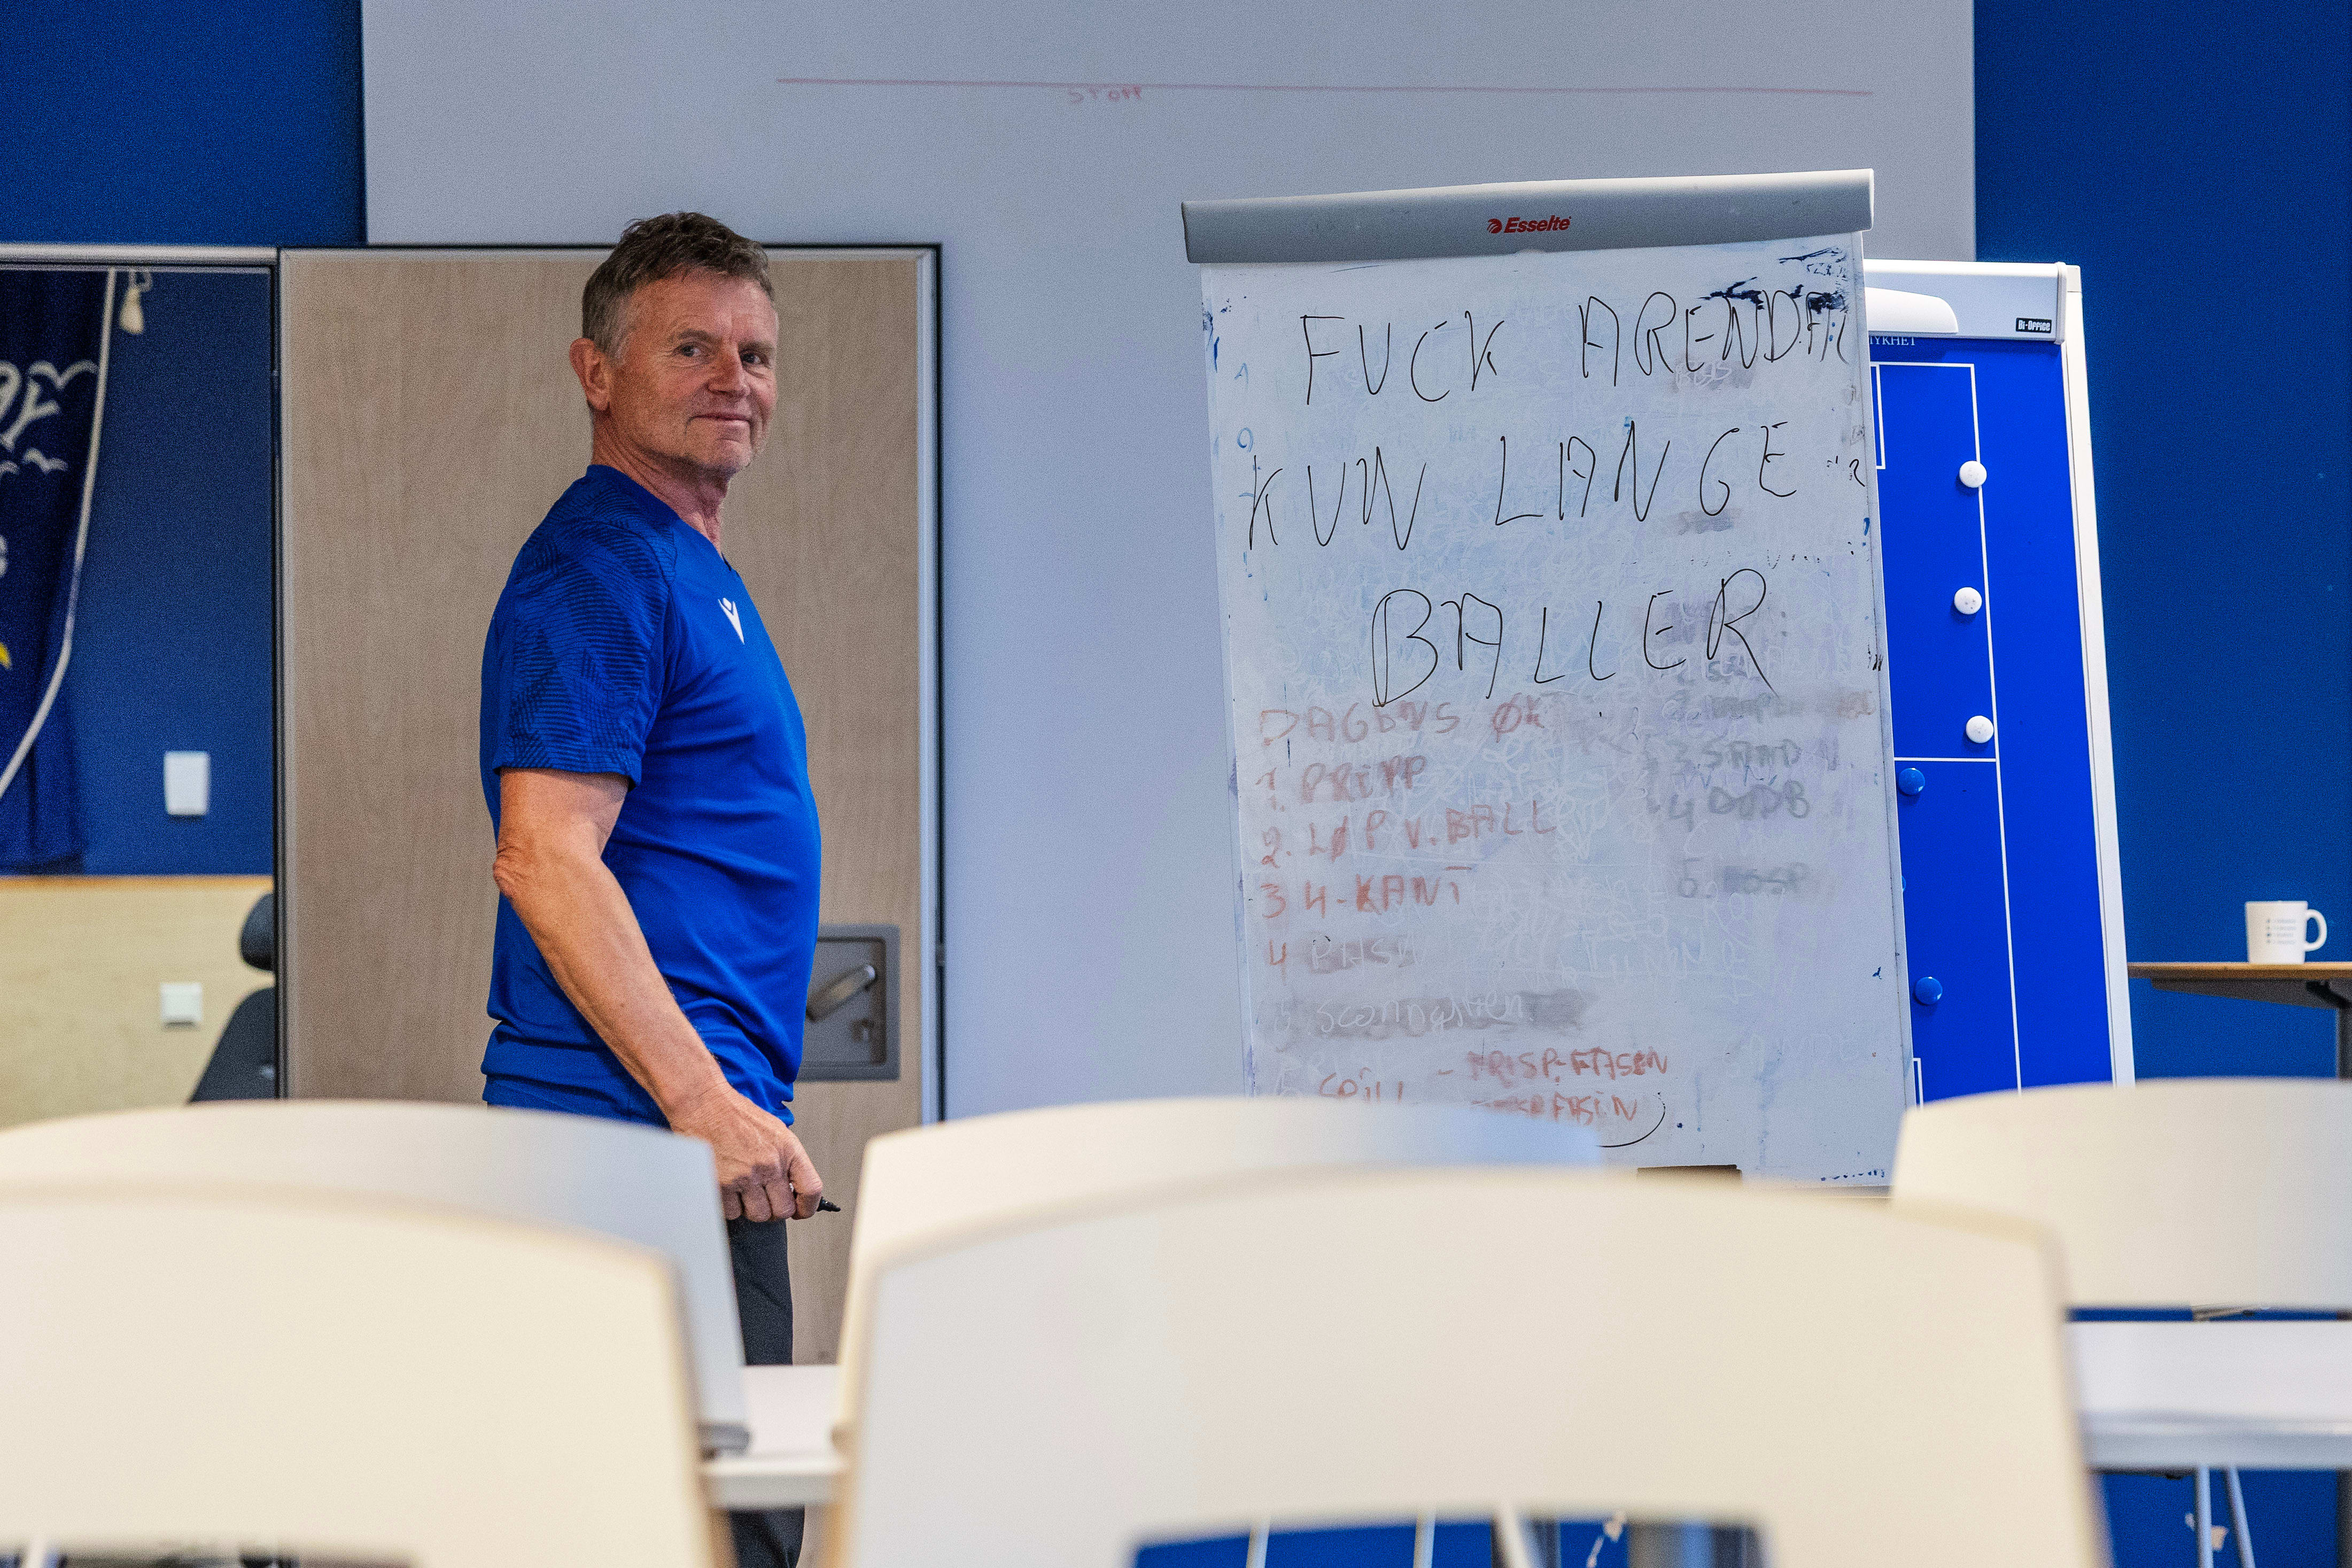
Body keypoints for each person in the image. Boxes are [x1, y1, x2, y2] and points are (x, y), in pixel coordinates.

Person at [477, 212, 820, 1568]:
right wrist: (702, 1104)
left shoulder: (689, 568)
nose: (733, 377)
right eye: (690, 347)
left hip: (685, 1141)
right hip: (633, 1144)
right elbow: (543, 853)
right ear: (595, 371)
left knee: (730, 1537)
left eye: (755, 353)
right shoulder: (601, 566)